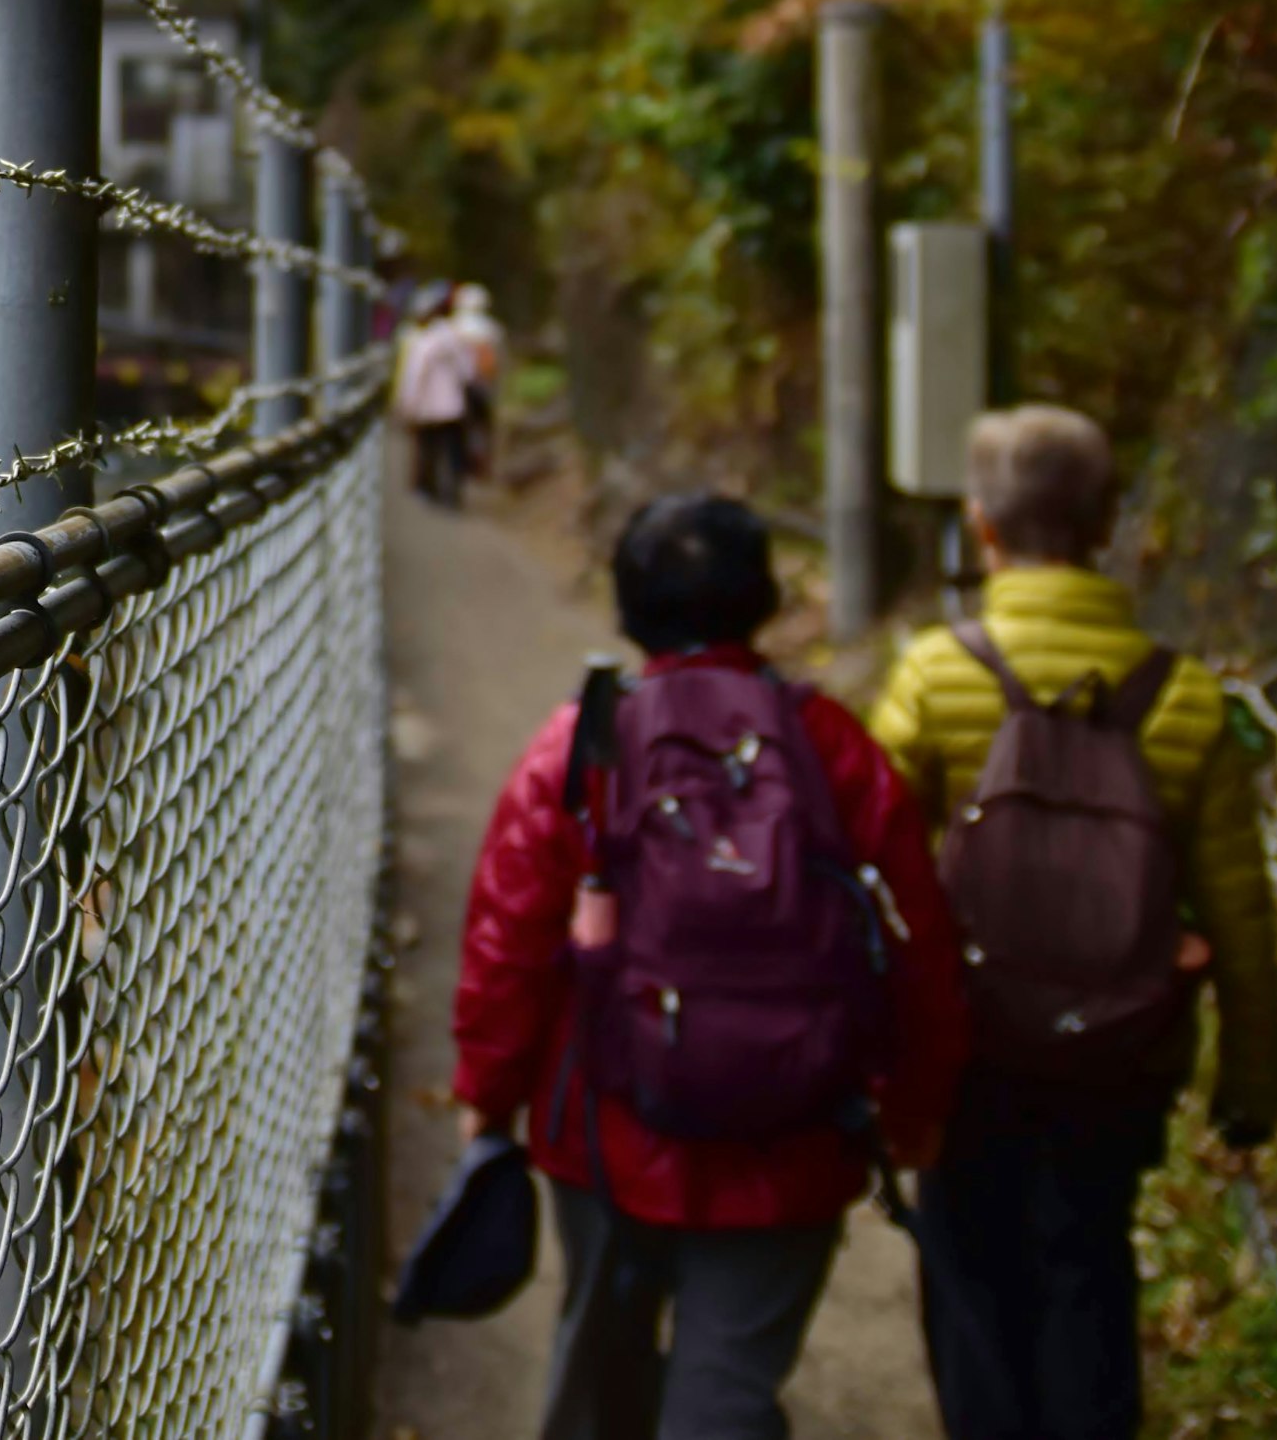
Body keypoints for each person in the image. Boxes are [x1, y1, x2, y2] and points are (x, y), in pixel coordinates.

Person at [455, 492, 968, 1440]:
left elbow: (509, 937)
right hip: (795, 1130)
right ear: (764, 599)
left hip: (607, 1124)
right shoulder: (829, 745)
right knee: (727, 1388)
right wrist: (915, 1108)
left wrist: (487, 1095)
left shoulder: (581, 748)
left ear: (628, 605)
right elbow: (916, 936)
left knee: (601, 1359)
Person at [867, 406, 1277, 1440]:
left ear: (982, 524)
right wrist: (1252, 1080)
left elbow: (869, 858)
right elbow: (1240, 910)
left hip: (971, 1045)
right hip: (1118, 1053)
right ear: (1108, 525)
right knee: (1088, 1261)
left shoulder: (936, 672)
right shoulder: (1185, 699)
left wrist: (874, 1047)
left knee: (968, 1270)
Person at [397, 290, 473, 506]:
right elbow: (467, 372)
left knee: (427, 450)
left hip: (428, 408)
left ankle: (428, 490)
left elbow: (414, 375)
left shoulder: (424, 341)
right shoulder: (457, 339)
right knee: (452, 452)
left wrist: (407, 404)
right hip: (453, 406)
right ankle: (453, 494)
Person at [449, 283, 508, 486]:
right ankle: (481, 465)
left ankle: (463, 466)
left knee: (463, 428)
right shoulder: (492, 329)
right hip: (484, 385)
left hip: (459, 387)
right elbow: (499, 361)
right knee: (482, 427)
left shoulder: (453, 328)